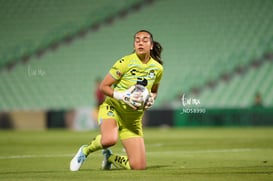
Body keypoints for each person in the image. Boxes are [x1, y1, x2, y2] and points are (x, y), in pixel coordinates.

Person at [70, 30, 164, 171]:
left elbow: (154, 90)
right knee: (109, 139)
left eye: (145, 40)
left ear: (151, 46)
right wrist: (123, 96)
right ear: (134, 44)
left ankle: (110, 158)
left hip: (133, 121)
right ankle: (85, 151)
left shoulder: (157, 68)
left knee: (138, 166)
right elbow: (103, 87)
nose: (140, 42)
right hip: (113, 109)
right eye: (137, 40)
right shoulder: (125, 62)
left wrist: (151, 99)